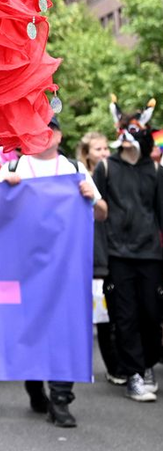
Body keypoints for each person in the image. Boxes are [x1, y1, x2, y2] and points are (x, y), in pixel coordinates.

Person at [0, 115, 105, 426]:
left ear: (59, 136)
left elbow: (102, 212)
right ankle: (34, 383)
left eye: (51, 129)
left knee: (65, 328)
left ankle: (60, 399)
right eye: (39, 129)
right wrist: (4, 192)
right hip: (25, 267)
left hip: (66, 267)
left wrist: (90, 198)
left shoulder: (73, 170)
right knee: (31, 328)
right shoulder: (14, 168)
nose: (46, 134)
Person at [92, 98, 162, 405]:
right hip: (118, 255)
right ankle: (133, 373)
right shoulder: (106, 168)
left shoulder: (156, 171)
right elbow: (96, 211)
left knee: (151, 313)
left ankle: (147, 366)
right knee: (125, 315)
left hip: (150, 255)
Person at [77, 131, 121, 384]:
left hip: (110, 249)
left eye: (106, 148)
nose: (104, 153)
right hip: (86, 250)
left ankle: (116, 366)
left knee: (107, 313)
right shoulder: (81, 179)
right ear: (87, 154)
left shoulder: (115, 175)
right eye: (98, 149)